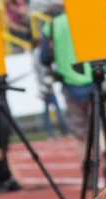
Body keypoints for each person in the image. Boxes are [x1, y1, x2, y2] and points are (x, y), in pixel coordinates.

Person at [40, 4, 94, 155]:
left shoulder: (51, 25)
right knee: (100, 126)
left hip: (70, 82)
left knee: (79, 131)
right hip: (95, 78)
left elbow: (44, 57)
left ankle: (88, 170)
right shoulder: (86, 18)